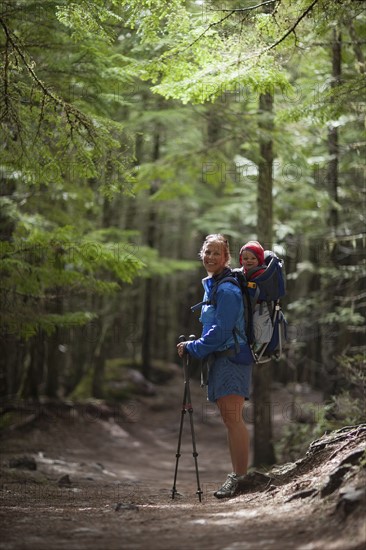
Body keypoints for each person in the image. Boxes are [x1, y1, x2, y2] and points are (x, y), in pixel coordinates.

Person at [177, 234, 253, 499]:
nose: (210, 257)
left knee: (233, 420)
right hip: (222, 359)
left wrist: (193, 347)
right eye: (207, 252)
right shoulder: (214, 285)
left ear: (226, 258)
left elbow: (221, 331)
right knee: (230, 419)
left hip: (232, 358)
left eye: (216, 253)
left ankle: (240, 478)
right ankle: (239, 475)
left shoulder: (228, 289)